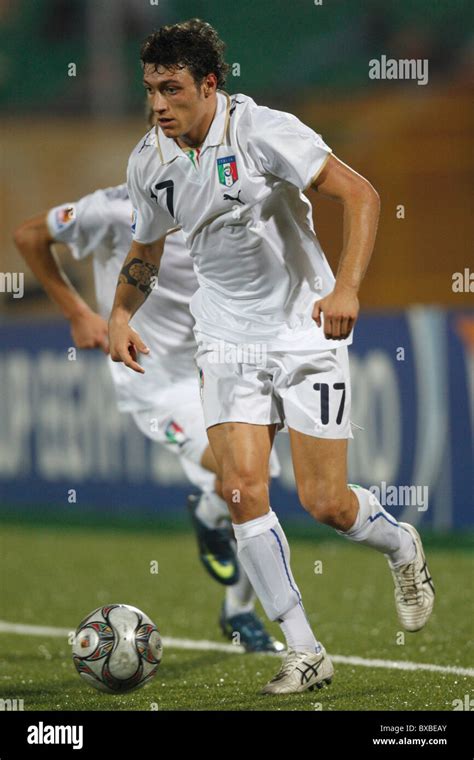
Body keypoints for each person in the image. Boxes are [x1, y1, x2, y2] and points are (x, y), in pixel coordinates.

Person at [108, 18, 435, 695]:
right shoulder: (149, 161)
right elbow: (146, 248)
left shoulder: (263, 132)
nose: (158, 105)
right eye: (149, 90)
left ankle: (401, 546)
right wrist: (119, 314)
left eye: (171, 90)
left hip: (304, 333)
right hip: (224, 341)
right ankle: (305, 649)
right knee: (240, 491)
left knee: (325, 502)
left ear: (209, 84)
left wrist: (346, 286)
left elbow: (361, 194)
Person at [13, 175, 283, 655]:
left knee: (249, 488)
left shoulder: (231, 200)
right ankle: (211, 522)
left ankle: (236, 607)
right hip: (158, 383)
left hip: (224, 365)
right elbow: (28, 236)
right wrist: (77, 311)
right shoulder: (114, 208)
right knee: (242, 476)